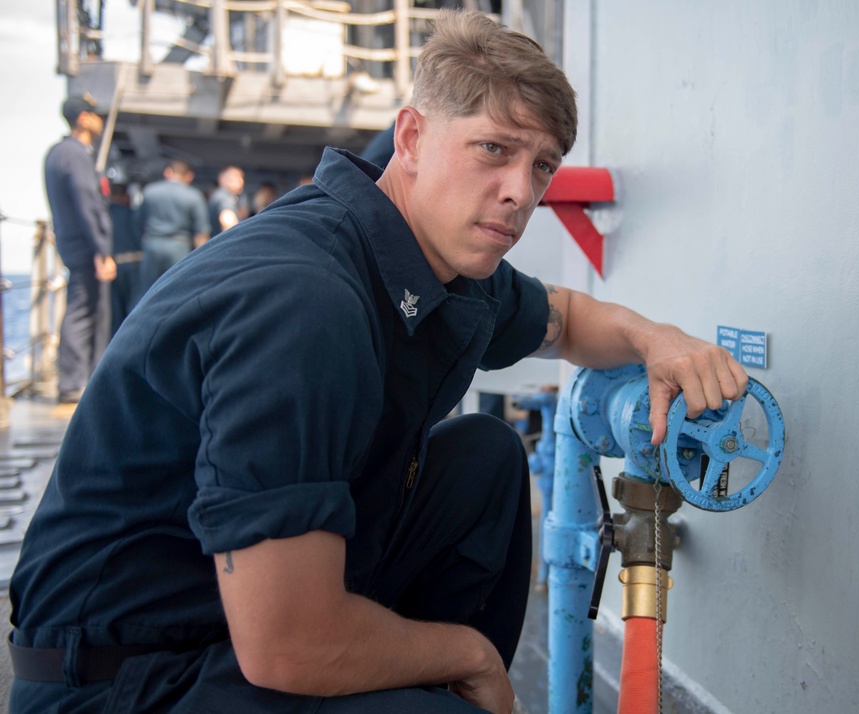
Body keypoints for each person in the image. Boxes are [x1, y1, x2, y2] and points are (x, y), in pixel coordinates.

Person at [7, 11, 746, 714]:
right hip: (125, 677)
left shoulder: (433, 259)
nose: (521, 193)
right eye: (493, 149)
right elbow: (286, 648)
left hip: (230, 618)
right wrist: (472, 656)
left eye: (542, 166)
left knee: (486, 456)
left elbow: (567, 318)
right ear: (413, 137)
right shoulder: (308, 301)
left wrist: (661, 340)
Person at [42, 93, 117, 404]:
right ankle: (75, 382)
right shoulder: (75, 154)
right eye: (94, 113)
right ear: (83, 118)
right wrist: (102, 249)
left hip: (73, 243)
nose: (99, 119)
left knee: (83, 309)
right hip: (87, 248)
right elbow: (87, 203)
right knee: (85, 311)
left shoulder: (57, 152)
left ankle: (79, 379)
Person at [136, 159, 211, 297]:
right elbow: (202, 233)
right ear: (189, 176)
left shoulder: (150, 191)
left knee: (146, 294)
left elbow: (137, 221)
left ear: (167, 172)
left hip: (152, 244)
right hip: (179, 247)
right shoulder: (194, 196)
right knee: (176, 293)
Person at [107, 182, 142, 333]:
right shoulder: (133, 214)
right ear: (125, 196)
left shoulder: (105, 215)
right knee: (134, 307)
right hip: (134, 264)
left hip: (112, 266)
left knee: (114, 311)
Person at [207, 164, 245, 236]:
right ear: (222, 178)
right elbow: (228, 219)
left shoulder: (218, 195)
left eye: (242, 177)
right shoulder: (225, 197)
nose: (241, 181)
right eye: (236, 176)